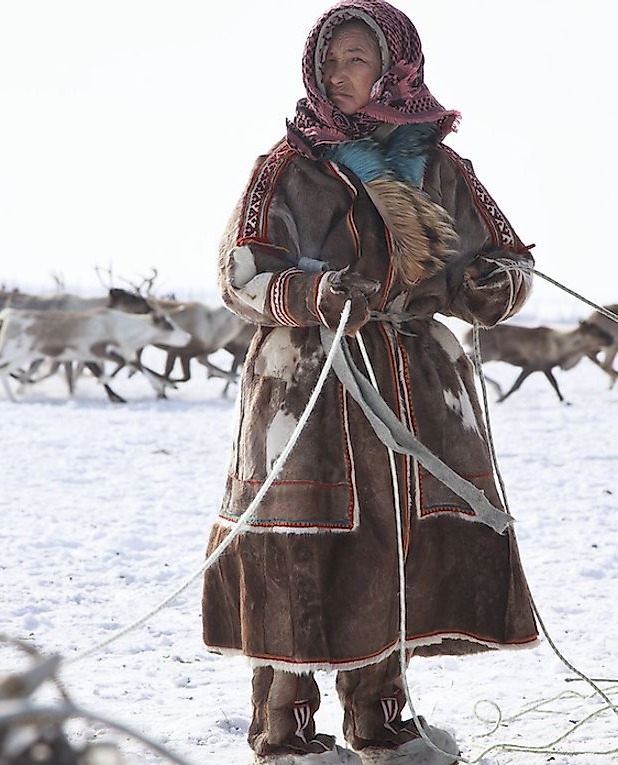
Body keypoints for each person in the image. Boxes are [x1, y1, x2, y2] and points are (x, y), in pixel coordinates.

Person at [202, 2, 539, 762]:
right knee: (296, 541)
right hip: (306, 394)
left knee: (394, 544)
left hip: (410, 386)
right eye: (329, 60)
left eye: (355, 58)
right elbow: (241, 273)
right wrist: (314, 296)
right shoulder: (284, 169)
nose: (337, 73)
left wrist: (487, 286)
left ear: (395, 66)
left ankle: (380, 714)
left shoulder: (438, 170)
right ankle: (283, 722)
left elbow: (506, 264)